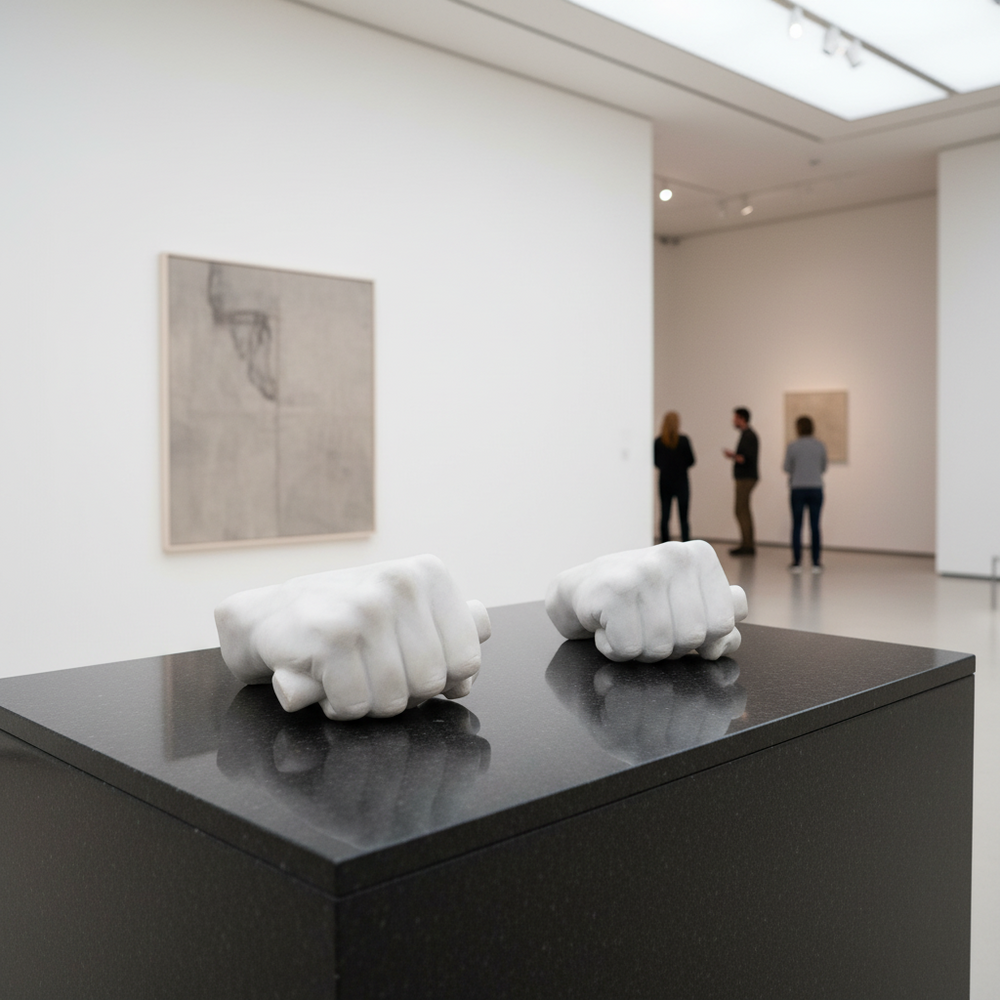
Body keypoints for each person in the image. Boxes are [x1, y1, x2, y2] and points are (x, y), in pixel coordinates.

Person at [784, 415, 827, 574]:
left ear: (798, 428)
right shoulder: (820, 445)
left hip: (797, 489)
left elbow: (786, 467)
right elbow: (823, 467)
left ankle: (797, 563)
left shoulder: (793, 446)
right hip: (816, 488)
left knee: (797, 525)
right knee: (815, 525)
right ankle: (816, 563)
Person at [654, 411, 695, 542]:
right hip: (681, 482)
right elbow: (691, 460)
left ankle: (664, 544)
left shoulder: (658, 442)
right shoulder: (684, 441)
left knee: (665, 515)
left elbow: (655, 462)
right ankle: (686, 543)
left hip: (665, 482)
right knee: (684, 517)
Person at [723, 407, 759, 555]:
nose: (733, 420)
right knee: (743, 510)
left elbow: (745, 458)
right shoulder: (747, 435)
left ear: (742, 419)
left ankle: (747, 545)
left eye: (735, 418)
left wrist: (732, 455)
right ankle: (747, 543)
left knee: (741, 510)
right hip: (745, 477)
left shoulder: (749, 436)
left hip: (746, 478)